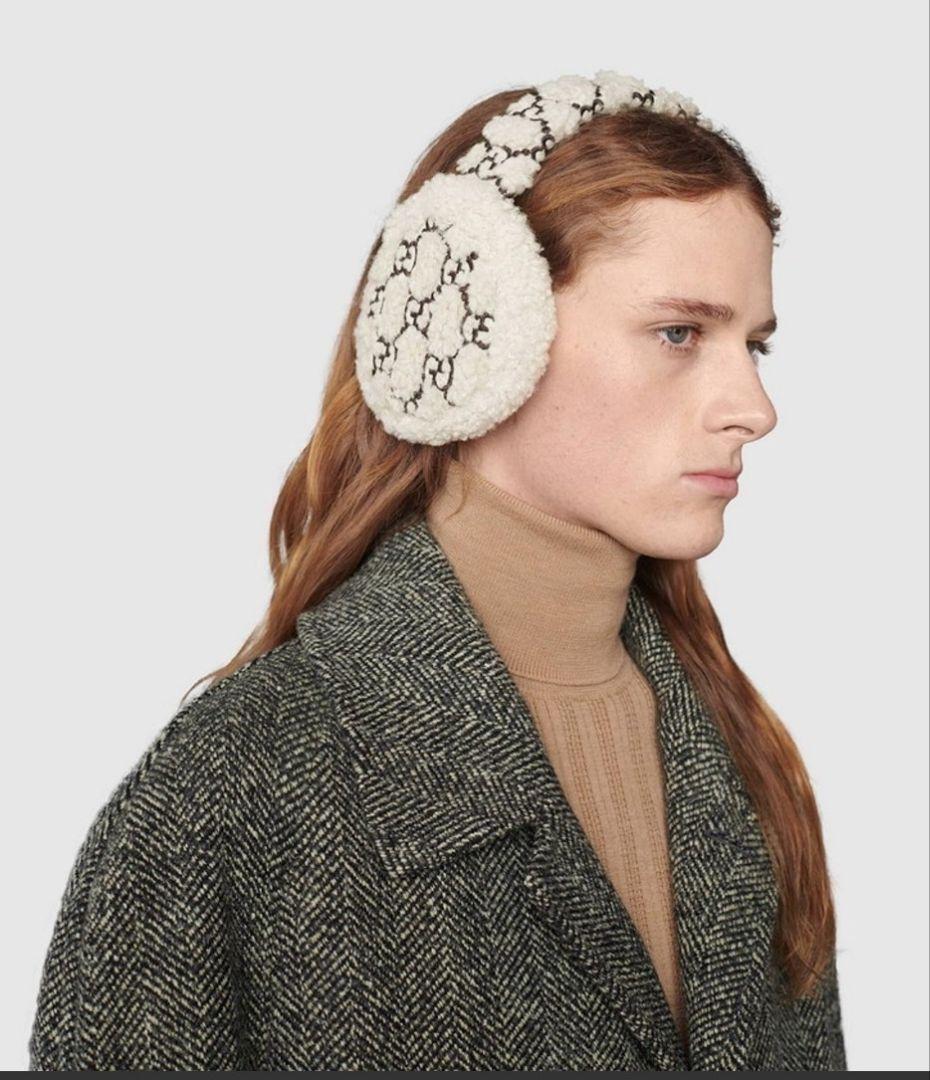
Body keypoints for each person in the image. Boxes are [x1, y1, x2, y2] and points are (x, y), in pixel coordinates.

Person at [27, 71, 847, 1071]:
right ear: (483, 326)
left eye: (755, 345)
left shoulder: (740, 760)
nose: (754, 408)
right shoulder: (230, 790)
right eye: (680, 333)